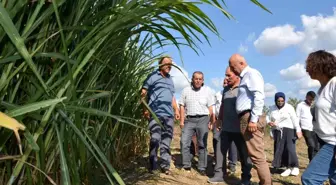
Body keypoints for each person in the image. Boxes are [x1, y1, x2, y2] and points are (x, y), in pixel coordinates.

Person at [229, 53, 272, 185]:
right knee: (254, 154)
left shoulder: (252, 74)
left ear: (241, 63)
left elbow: (259, 96)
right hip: (246, 117)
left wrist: (253, 120)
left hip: (250, 117)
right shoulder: (245, 77)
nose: (232, 70)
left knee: (257, 155)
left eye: (233, 66)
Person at [208, 67, 252, 184]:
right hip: (226, 128)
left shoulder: (244, 88)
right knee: (220, 151)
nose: (226, 78)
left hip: (240, 129)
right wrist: (219, 120)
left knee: (244, 154)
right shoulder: (226, 89)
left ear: (237, 75)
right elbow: (222, 105)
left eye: (229, 76)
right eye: (225, 75)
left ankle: (246, 178)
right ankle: (219, 175)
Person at [301, 50, 336, 184]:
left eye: (310, 65)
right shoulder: (322, 89)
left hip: (333, 143)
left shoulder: (334, 83)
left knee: (310, 179)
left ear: (320, 65)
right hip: (323, 140)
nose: (307, 70)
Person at [141, 56, 180, 175]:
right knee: (155, 139)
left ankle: (165, 165)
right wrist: (145, 109)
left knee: (166, 141)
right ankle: (152, 164)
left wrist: (177, 110)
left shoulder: (170, 80)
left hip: (169, 115)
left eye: (171, 64)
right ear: (160, 65)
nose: (169, 66)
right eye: (167, 63)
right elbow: (143, 92)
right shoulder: (153, 76)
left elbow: (172, 96)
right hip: (155, 113)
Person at [179, 71, 215, 175]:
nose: (198, 81)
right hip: (189, 119)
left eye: (200, 79)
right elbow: (182, 106)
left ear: (203, 80)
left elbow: (211, 108)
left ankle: (202, 167)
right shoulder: (186, 90)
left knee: (202, 144)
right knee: (184, 141)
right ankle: (186, 165)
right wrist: (181, 121)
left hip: (203, 119)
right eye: (196, 78)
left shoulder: (207, 91)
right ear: (192, 79)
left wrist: (211, 122)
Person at [267, 92, 302, 177]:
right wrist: (269, 122)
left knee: (290, 149)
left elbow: (295, 119)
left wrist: (298, 130)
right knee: (280, 150)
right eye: (278, 101)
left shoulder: (289, 107)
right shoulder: (272, 108)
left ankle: (295, 166)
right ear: (275, 100)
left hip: (289, 130)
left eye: (282, 101)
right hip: (278, 130)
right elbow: (268, 117)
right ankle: (287, 167)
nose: (280, 102)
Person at [212, 78, 238, 173]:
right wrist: (214, 120)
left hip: (231, 121)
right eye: (224, 82)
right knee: (217, 140)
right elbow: (214, 107)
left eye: (227, 81)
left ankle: (232, 163)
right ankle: (218, 161)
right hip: (219, 120)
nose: (225, 83)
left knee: (232, 143)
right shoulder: (217, 94)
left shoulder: (235, 92)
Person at [296, 91, 319, 162]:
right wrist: (298, 130)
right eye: (310, 99)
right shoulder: (300, 105)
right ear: (306, 97)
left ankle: (315, 162)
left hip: (315, 128)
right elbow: (297, 118)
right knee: (311, 145)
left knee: (317, 147)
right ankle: (311, 162)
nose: (311, 101)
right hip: (305, 128)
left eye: (312, 99)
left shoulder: (314, 105)